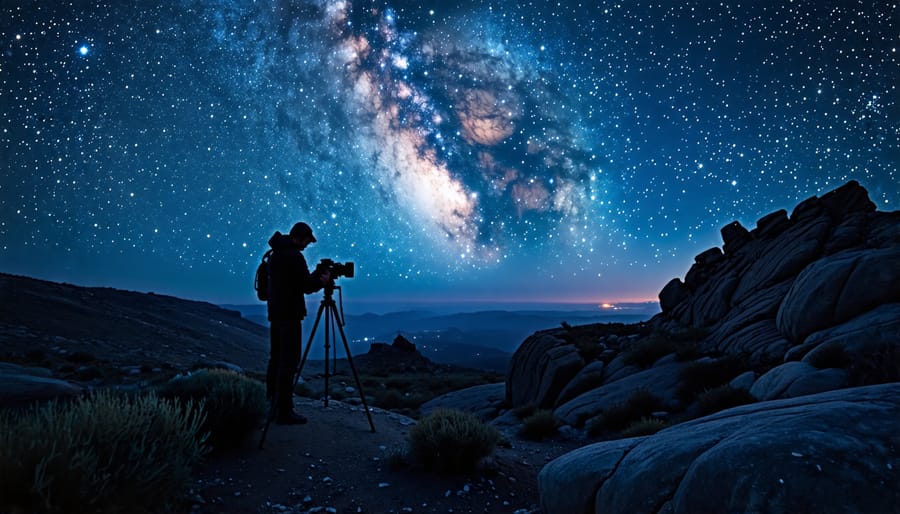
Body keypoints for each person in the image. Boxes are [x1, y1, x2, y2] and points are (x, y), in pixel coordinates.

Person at [266, 221, 330, 425]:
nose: (307, 245)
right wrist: (322, 281)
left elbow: (295, 282)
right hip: (290, 315)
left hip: (276, 313)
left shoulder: (276, 254)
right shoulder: (294, 256)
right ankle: (285, 412)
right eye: (306, 241)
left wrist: (313, 277)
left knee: (276, 359)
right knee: (289, 362)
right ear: (299, 237)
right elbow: (306, 287)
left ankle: (272, 403)